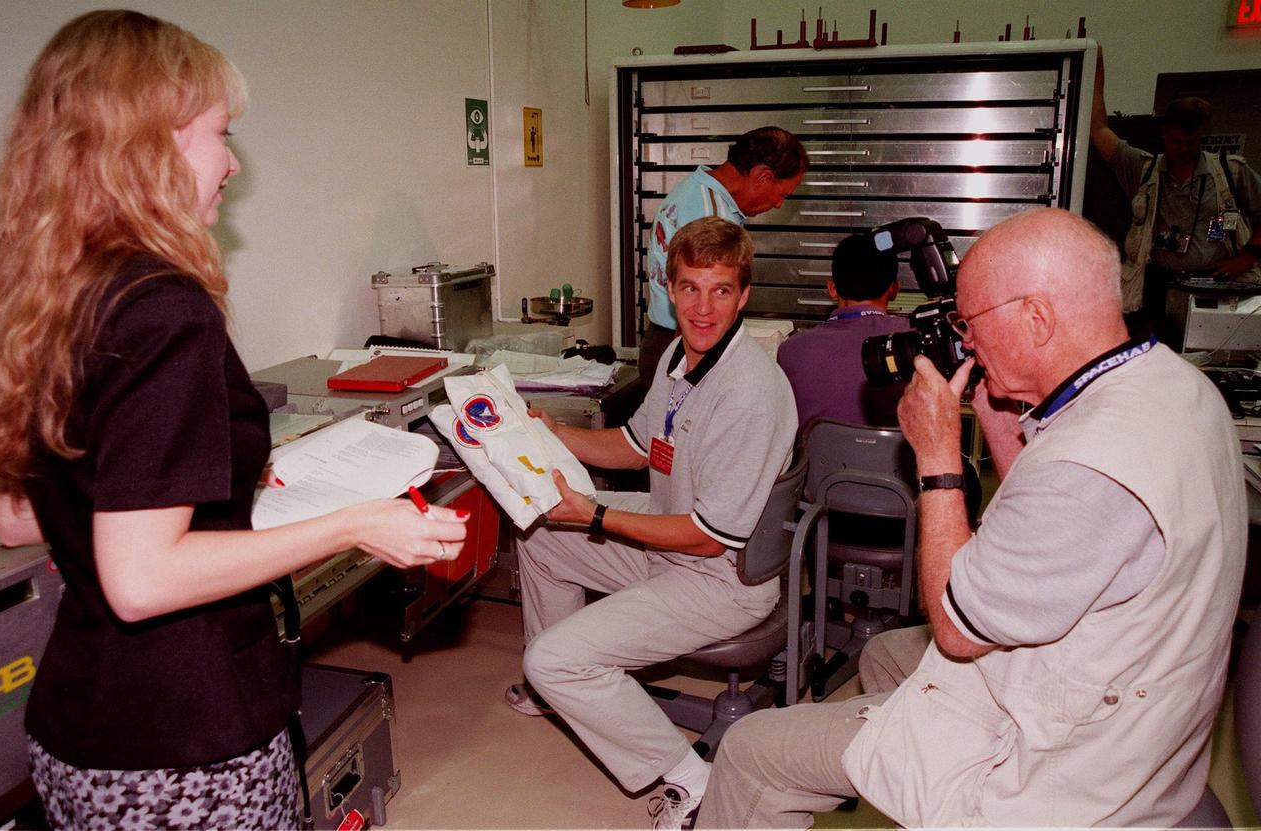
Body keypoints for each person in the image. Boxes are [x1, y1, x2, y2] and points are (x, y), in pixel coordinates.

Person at [0, 11, 468, 830]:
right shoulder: (164, 309)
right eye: (219, 135)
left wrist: (213, 483)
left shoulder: (47, 299)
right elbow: (141, 578)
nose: (232, 164)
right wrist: (356, 524)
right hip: (184, 747)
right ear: (149, 148)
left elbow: (22, 512)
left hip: (76, 732)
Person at [697, 207, 1246, 828]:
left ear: (1037, 318)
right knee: (884, 655)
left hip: (1067, 768)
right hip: (1131, 691)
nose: (966, 339)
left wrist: (937, 457)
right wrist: (998, 429)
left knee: (750, 752)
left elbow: (957, 627)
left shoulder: (1088, 462)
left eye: (971, 321)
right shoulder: (1174, 385)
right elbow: (1049, 533)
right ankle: (897, 764)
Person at [506, 216, 797, 830]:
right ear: (669, 288)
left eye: (721, 290)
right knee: (538, 534)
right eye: (690, 287)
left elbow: (708, 536)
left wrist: (597, 515)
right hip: (674, 532)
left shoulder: (749, 391)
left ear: (744, 295)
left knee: (555, 659)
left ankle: (691, 781)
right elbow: (639, 446)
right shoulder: (680, 357)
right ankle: (565, 692)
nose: (703, 306)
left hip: (720, 577)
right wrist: (556, 433)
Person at [1090, 48, 1261, 332]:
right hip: (1156, 287)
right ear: (1164, 134)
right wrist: (1096, 70)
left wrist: (1246, 258)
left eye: (1192, 142)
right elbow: (1098, 130)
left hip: (1213, 285)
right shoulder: (1143, 168)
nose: (1184, 150)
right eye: (1177, 141)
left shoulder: (1229, 172)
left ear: (1202, 136)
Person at [639, 127, 809, 392]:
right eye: (782, 194)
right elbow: (697, 301)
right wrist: (689, 375)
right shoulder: (712, 215)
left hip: (667, 340)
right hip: (685, 346)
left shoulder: (694, 189)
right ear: (763, 177)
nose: (778, 204)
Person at [777, 231, 909, 432]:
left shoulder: (790, 351)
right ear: (894, 289)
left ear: (832, 288)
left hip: (819, 463)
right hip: (896, 463)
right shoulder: (914, 340)